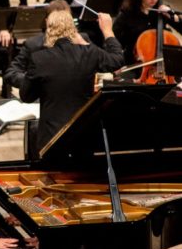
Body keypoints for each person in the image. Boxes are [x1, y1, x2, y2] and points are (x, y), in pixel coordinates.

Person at [19, 10, 124, 150]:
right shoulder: (90, 52)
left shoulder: (39, 59)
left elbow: (26, 96)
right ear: (73, 29)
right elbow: (117, 59)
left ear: (49, 29)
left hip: (51, 137)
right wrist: (107, 30)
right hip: (83, 133)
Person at [113, 0, 182, 76]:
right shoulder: (127, 13)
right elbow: (114, 42)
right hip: (135, 66)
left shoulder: (162, 11)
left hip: (163, 66)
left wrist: (173, 16)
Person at [4, 0, 74, 89]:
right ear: (46, 21)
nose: (61, 24)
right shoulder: (33, 44)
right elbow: (11, 73)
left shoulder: (81, 43)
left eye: (65, 19)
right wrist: (32, 81)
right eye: (56, 20)